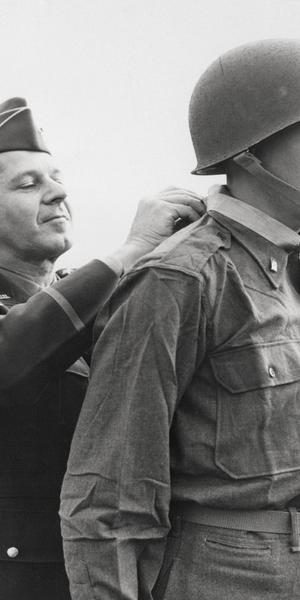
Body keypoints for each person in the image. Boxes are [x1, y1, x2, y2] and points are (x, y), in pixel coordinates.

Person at [61, 38, 300, 600]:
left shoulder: (285, 271)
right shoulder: (180, 278)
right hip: (222, 577)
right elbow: (108, 498)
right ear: (250, 154)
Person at [0, 96, 204, 600]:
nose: (58, 192)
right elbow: (15, 353)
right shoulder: (54, 312)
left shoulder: (88, 296)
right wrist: (132, 249)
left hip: (120, 570)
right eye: (27, 184)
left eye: (55, 177)